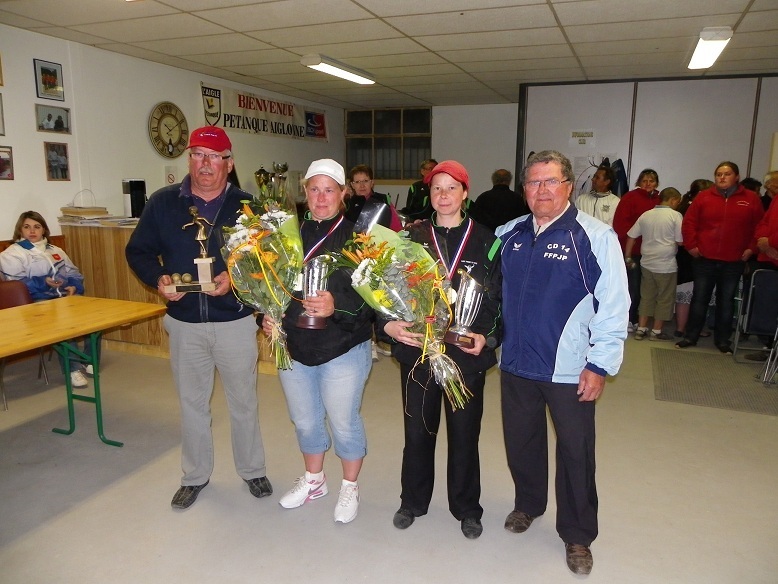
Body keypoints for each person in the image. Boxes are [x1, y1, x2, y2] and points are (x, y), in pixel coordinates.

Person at [496, 150, 629, 576]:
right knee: (522, 443)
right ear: (524, 189)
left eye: (551, 181)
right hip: (516, 364)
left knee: (575, 452)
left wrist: (600, 364)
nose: (542, 190)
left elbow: (614, 305)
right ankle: (528, 504)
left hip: (570, 369)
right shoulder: (509, 233)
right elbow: (486, 295)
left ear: (569, 185)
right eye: (534, 183)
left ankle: (577, 533)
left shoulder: (595, 237)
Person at [126, 126, 272, 510]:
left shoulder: (248, 207)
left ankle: (252, 469)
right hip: (185, 323)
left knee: (244, 401)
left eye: (214, 156)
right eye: (197, 155)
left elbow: (264, 262)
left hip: (235, 322)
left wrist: (234, 280)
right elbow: (138, 251)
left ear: (229, 163)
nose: (204, 164)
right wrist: (156, 278)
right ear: (189, 158)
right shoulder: (162, 203)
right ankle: (194, 477)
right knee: (192, 404)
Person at [380, 160, 502, 540]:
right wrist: (388, 325)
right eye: (436, 188)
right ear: (429, 194)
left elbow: (500, 299)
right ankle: (413, 500)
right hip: (419, 350)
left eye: (452, 188)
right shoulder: (409, 239)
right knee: (417, 430)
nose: (443, 195)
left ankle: (467, 507)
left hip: (465, 353)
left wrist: (490, 337)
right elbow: (384, 293)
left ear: (466, 193)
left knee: (465, 432)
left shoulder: (488, 240)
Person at [262, 159, 373, 524]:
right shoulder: (287, 235)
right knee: (305, 420)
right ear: (304, 192)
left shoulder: (360, 238)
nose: (321, 198)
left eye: (329, 190)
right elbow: (271, 282)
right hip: (295, 346)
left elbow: (375, 300)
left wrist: (335, 304)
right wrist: (269, 312)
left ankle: (350, 486)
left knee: (343, 421)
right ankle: (314, 480)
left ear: (343, 193)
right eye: (314, 189)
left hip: (343, 347)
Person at [0, 211, 96, 389]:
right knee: (64, 322)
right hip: (34, 304)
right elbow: (16, 287)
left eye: (37, 227)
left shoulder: (55, 250)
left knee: (95, 317)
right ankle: (72, 369)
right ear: (20, 230)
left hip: (64, 298)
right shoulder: (11, 254)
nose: (32, 231)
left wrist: (74, 285)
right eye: (27, 227)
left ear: (44, 229)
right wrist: (43, 282)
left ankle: (89, 359)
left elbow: (74, 273)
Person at [676, 161, 765, 353]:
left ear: (737, 177)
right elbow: (689, 223)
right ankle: (690, 336)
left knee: (726, 300)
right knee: (699, 298)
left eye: (727, 174)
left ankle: (723, 340)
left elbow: (759, 227)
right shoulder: (703, 197)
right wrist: (691, 246)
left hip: (734, 260)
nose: (722, 177)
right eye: (718, 174)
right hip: (704, 258)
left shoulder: (751, 199)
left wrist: (751, 249)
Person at [625, 187, 683, 340]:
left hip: (647, 263)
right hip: (666, 265)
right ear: (673, 200)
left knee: (646, 296)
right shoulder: (676, 216)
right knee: (664, 298)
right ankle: (656, 332)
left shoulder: (646, 215)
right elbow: (680, 240)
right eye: (678, 201)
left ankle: (641, 329)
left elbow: (631, 236)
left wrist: (628, 257)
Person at [613, 168, 661, 332]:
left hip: (653, 253)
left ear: (657, 183)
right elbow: (620, 226)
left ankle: (641, 320)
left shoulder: (660, 200)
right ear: (639, 182)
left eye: (652, 181)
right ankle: (628, 319)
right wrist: (628, 250)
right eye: (644, 181)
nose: (648, 184)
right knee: (632, 288)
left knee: (646, 289)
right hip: (632, 252)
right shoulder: (629, 198)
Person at [675, 179, 713, 337]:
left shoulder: (682, 207)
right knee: (691, 293)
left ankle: (684, 328)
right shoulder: (689, 209)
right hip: (690, 254)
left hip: (688, 254)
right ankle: (685, 327)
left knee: (692, 293)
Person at [744, 194, 778, 361]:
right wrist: (763, 242)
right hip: (768, 259)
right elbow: (763, 223)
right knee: (767, 306)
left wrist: (771, 241)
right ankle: (769, 347)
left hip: (773, 251)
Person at [345, 164, 403, 231]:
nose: (362, 185)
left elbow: (396, 228)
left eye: (366, 181)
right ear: (352, 185)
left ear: (372, 182)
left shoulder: (384, 200)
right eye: (357, 182)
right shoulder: (347, 205)